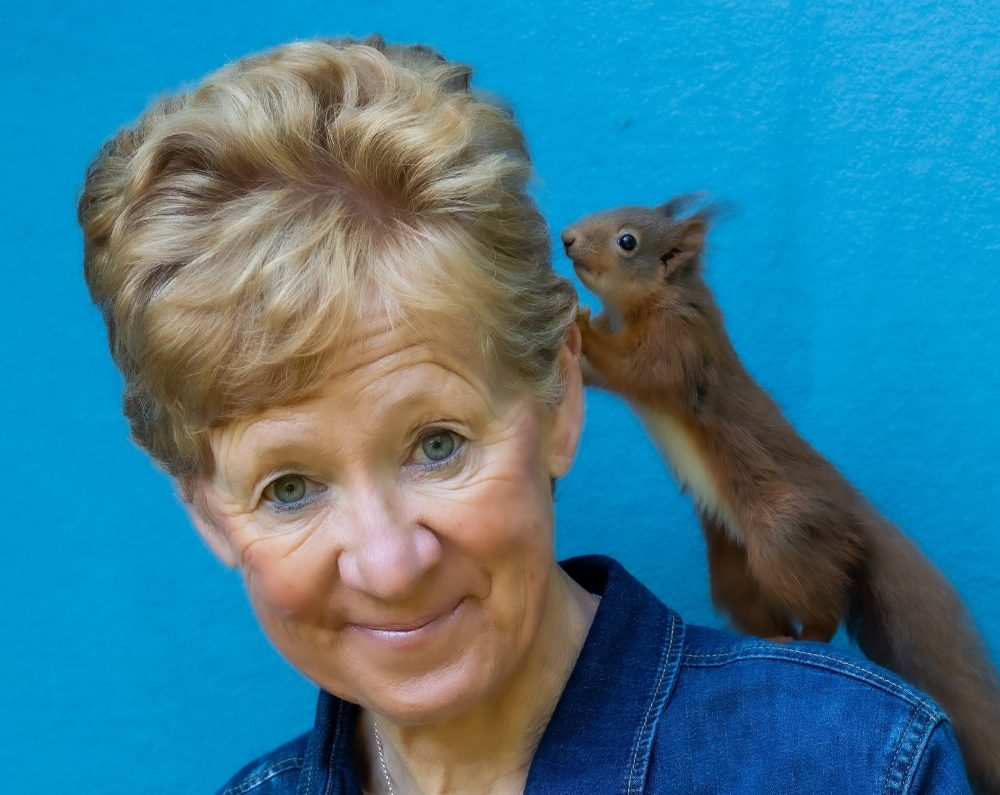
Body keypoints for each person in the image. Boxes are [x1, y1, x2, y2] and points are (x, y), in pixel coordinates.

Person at [79, 36, 973, 794]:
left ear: (560, 399)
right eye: (288, 487)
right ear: (205, 509)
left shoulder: (843, 766)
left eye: (438, 443)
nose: (392, 565)